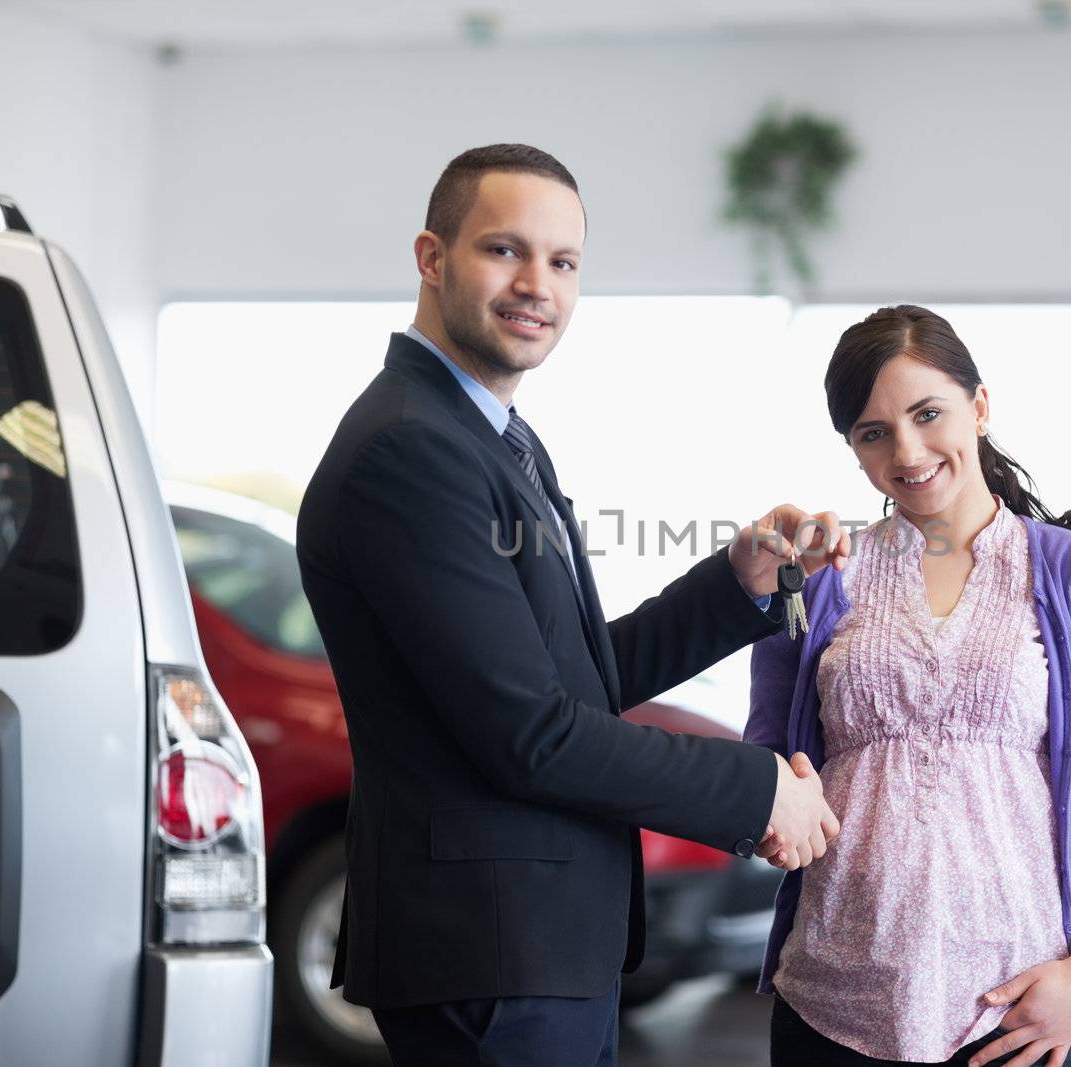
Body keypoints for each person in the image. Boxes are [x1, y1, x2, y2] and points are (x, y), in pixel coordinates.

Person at [296, 143, 846, 1067]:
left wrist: (732, 588)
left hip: (533, 948)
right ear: (432, 258)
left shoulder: (492, 436)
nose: (536, 285)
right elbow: (531, 730)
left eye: (563, 262)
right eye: (504, 251)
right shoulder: (412, 452)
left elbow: (572, 677)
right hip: (489, 957)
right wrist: (757, 792)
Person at [746, 305, 1071, 1067]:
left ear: (979, 407)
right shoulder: (818, 580)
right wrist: (773, 804)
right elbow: (768, 765)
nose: (907, 450)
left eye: (927, 413)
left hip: (1014, 1010)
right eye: (873, 432)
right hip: (831, 1002)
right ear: (855, 450)